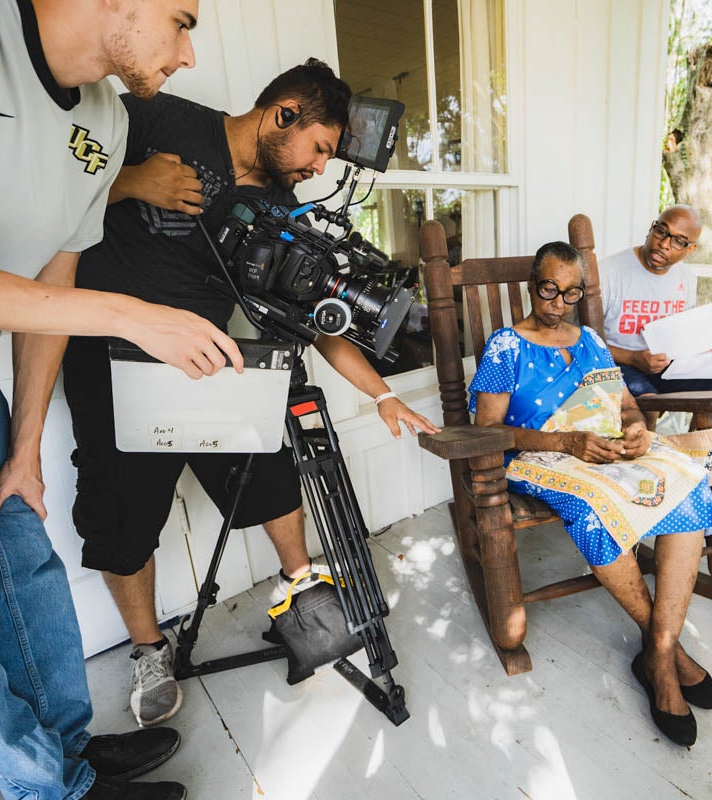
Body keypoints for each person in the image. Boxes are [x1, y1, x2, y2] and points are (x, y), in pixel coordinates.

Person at [0, 1, 249, 798]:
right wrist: (130, 315)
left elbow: (55, 273)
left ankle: (65, 752)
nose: (185, 54)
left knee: (25, 569)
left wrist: (25, 446)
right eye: (181, 21)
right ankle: (54, 791)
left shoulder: (106, 119)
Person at [63, 58, 440, 729]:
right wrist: (129, 183)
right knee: (121, 517)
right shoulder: (157, 118)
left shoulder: (282, 209)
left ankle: (301, 592)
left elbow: (321, 327)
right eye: (319, 147)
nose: (319, 168)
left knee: (269, 473)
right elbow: (50, 183)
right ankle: (149, 649)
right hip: (113, 361)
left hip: (212, 363)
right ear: (284, 112)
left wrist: (383, 396)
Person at [469, 242, 712, 748]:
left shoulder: (589, 338)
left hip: (605, 449)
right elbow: (488, 429)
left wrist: (633, 428)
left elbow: (626, 403)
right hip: (542, 456)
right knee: (590, 509)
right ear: (531, 283)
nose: (557, 302)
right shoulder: (506, 345)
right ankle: (667, 663)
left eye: (570, 292)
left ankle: (659, 648)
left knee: (685, 481)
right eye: (548, 288)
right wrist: (567, 442)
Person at [600, 205, 712, 428]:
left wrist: (703, 344)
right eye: (661, 231)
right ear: (652, 228)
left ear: (690, 249)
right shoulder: (608, 273)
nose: (664, 244)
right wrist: (633, 358)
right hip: (621, 365)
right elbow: (582, 339)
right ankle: (660, 456)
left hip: (669, 367)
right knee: (646, 408)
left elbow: (682, 332)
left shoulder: (685, 277)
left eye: (678, 241)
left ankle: (698, 451)